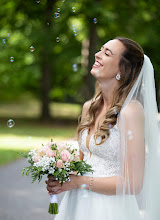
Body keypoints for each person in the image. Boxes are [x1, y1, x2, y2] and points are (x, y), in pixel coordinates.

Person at [46, 37, 160, 220]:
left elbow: (134, 183)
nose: (97, 55)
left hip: (109, 209)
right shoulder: (89, 107)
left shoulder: (130, 111)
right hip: (77, 204)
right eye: (100, 49)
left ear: (121, 70)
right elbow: (83, 162)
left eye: (107, 53)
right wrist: (62, 176)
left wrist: (79, 182)